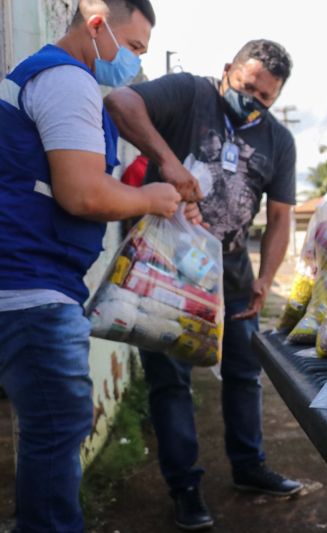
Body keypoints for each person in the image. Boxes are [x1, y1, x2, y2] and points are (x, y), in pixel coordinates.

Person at [105, 39, 301, 530]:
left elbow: (280, 218)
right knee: (170, 382)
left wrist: (266, 279)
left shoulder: (278, 140)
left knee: (242, 376)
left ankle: (249, 466)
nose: (253, 99)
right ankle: (185, 489)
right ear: (227, 70)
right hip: (163, 269)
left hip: (232, 278)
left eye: (266, 97)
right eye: (247, 86)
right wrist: (169, 163)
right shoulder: (190, 95)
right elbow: (121, 102)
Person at [0, 1, 181, 531]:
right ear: (98, 25)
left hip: (27, 280)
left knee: (46, 433)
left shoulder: (41, 77)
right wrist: (149, 197)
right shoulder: (67, 81)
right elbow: (81, 193)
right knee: (58, 429)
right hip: (32, 288)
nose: (133, 62)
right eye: (134, 47)